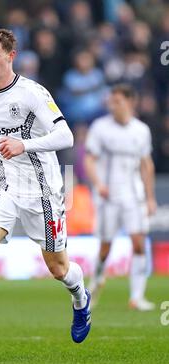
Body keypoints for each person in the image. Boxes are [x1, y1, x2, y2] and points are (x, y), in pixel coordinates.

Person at [0, 28, 91, 355]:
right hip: (4, 187)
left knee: (58, 268)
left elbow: (66, 137)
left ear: (11, 56)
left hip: (43, 192)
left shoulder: (32, 93)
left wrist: (24, 145)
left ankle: (80, 297)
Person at [85, 84, 157, 311]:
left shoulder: (141, 130)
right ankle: (95, 283)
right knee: (106, 247)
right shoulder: (100, 127)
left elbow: (146, 164)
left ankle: (136, 297)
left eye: (117, 101)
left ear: (130, 102)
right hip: (108, 195)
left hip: (134, 195)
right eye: (111, 101)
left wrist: (150, 197)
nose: (113, 105)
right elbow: (89, 159)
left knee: (138, 242)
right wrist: (98, 183)